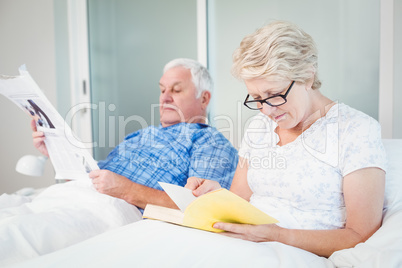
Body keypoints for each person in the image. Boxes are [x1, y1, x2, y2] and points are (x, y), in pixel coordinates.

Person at [185, 21, 387, 257]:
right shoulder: (259, 127)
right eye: (256, 97)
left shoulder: (356, 130)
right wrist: (215, 196)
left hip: (300, 255)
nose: (266, 110)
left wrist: (276, 235)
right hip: (245, 245)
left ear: (308, 77)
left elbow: (360, 235)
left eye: (274, 95)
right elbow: (240, 200)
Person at [32, 58, 238, 211]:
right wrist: (56, 152)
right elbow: (92, 180)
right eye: (162, 89)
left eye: (176, 90)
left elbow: (202, 207)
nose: (165, 98)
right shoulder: (141, 135)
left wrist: (127, 190)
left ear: (204, 99)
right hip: (70, 199)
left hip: (110, 212)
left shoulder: (210, 141)